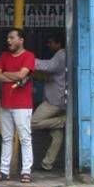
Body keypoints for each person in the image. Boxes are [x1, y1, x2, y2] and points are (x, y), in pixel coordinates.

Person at [0, 28, 37, 183]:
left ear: (21, 40)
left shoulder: (29, 56)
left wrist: (7, 73)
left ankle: (26, 171)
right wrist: (14, 76)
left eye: (12, 37)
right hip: (6, 103)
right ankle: (4, 171)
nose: (8, 41)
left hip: (22, 104)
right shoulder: (4, 56)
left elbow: (21, 75)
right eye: (8, 38)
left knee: (25, 137)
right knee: (6, 138)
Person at [33, 33, 67, 171]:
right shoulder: (63, 55)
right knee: (56, 135)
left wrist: (29, 60)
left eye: (51, 42)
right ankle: (47, 163)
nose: (49, 45)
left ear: (58, 44)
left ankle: (63, 121)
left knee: (32, 123)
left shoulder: (61, 54)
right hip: (59, 98)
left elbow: (49, 67)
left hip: (55, 101)